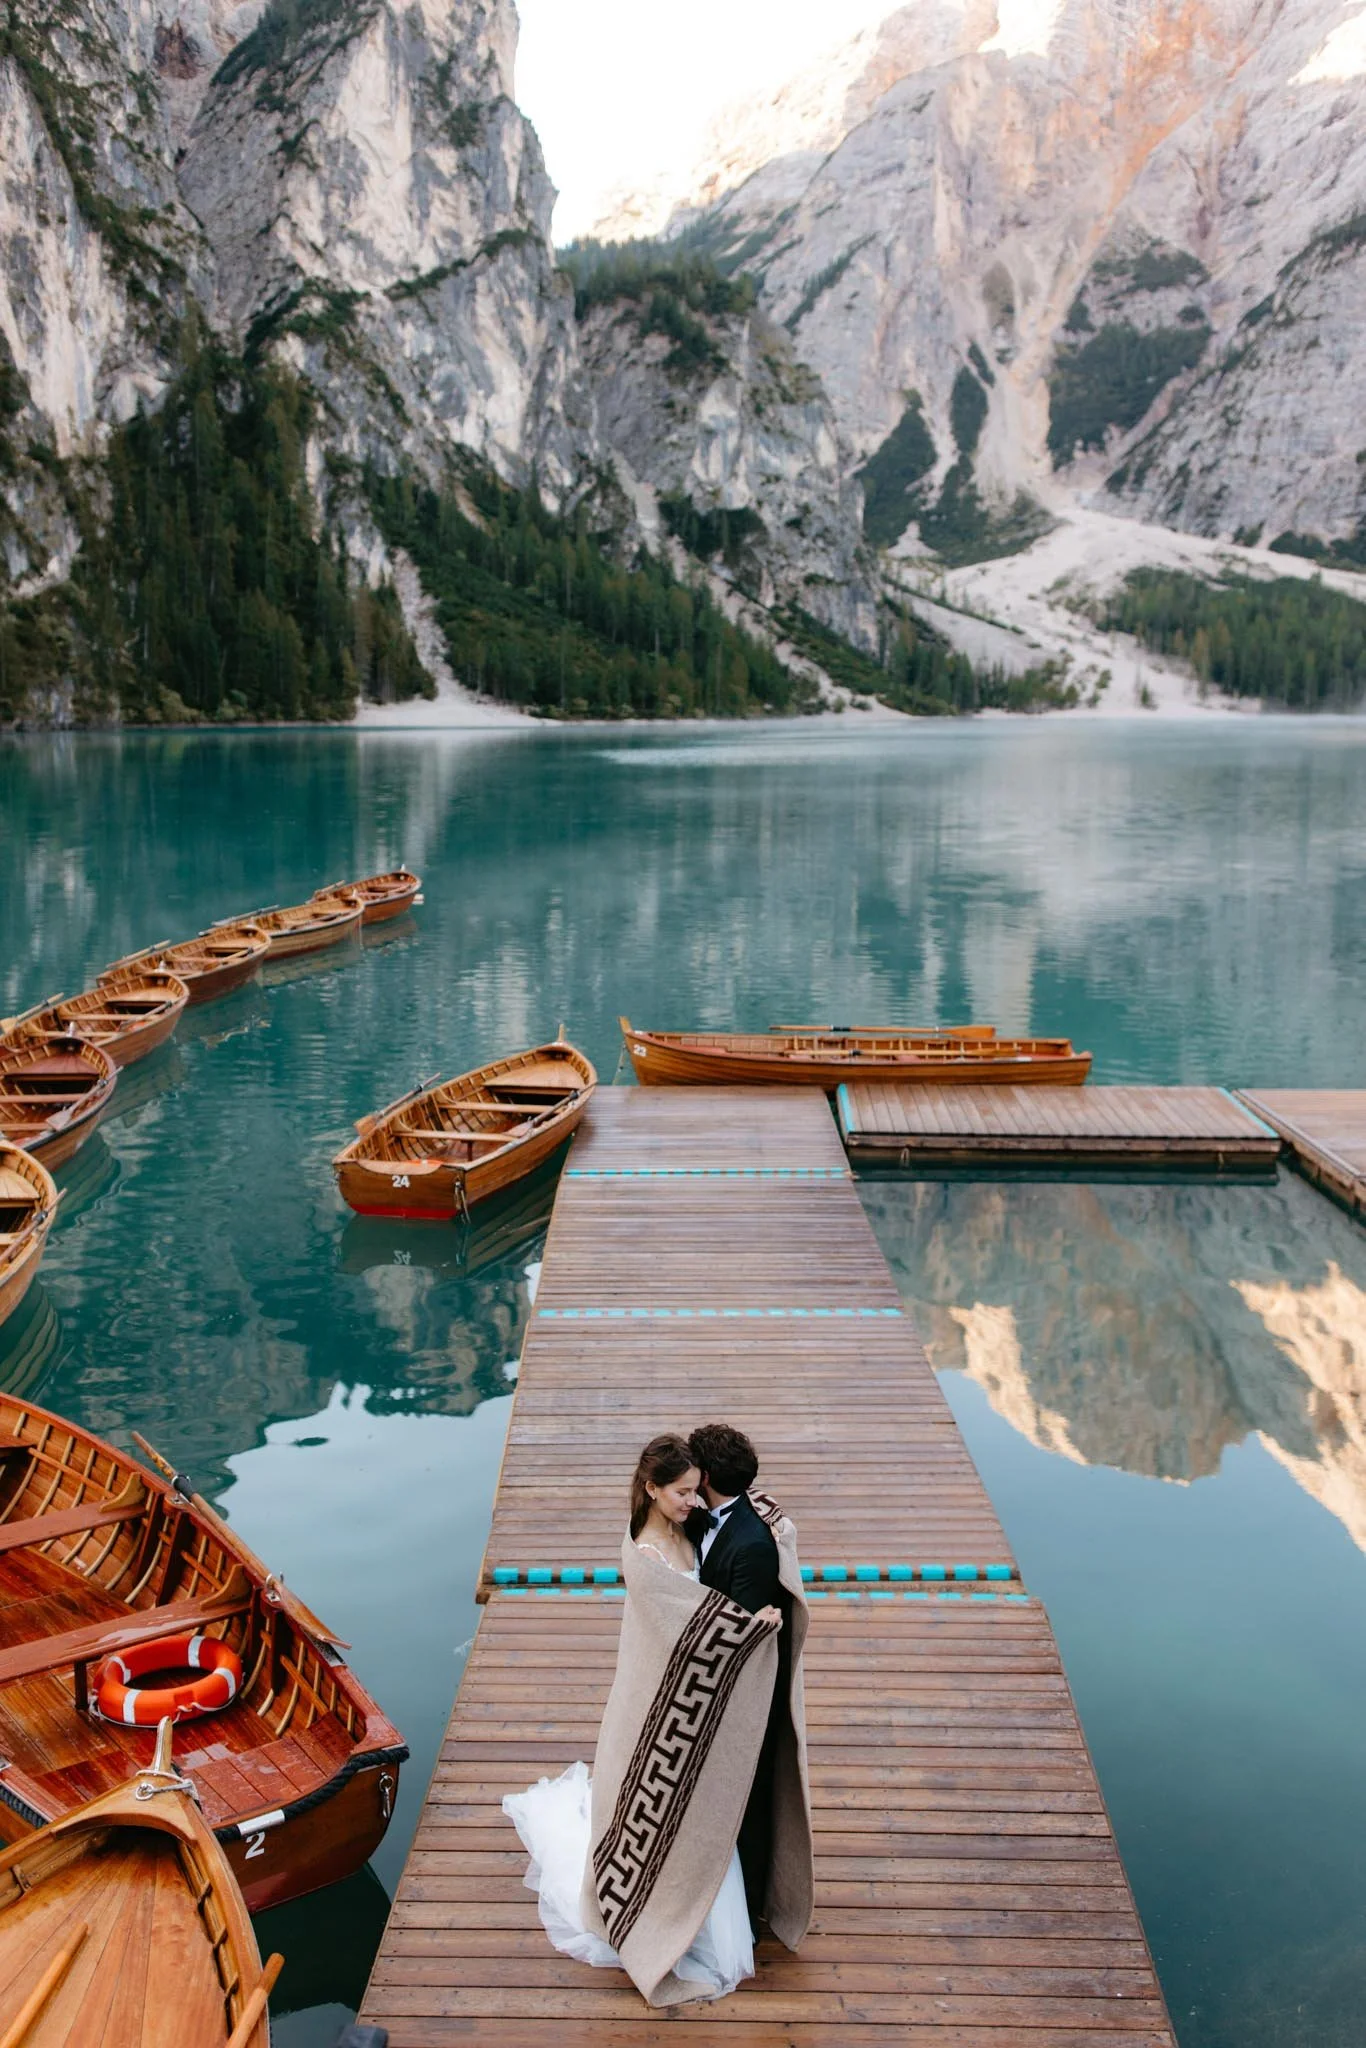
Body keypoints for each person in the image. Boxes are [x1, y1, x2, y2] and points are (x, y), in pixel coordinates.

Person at [503, 1432, 812, 2008]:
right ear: (653, 1489)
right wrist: (751, 1626)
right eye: (682, 1491)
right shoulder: (648, 1546)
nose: (692, 1501)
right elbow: (679, 1617)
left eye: (698, 1490)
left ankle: (720, 1902)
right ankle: (656, 1914)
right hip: (662, 1687)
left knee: (712, 1807)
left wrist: (757, 1618)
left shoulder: (714, 1529)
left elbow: (735, 1559)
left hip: (718, 1695)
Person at [688, 1421, 789, 1929]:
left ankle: (743, 1914)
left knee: (742, 1797)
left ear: (704, 1475)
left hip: (742, 1694)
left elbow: (735, 1633)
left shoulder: (750, 1544)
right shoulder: (699, 1515)